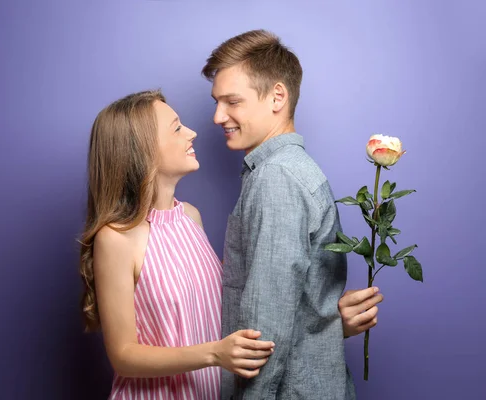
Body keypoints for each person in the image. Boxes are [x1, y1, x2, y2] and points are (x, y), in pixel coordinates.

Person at [201, 29, 369, 399]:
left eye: (232, 102)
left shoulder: (276, 178)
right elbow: (304, 307)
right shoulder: (294, 169)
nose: (217, 117)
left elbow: (265, 331)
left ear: (278, 96)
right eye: (216, 102)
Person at [80, 90, 275, 400]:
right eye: (177, 127)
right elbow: (123, 355)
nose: (192, 132)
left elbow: (219, 297)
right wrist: (213, 354)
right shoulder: (115, 238)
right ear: (141, 150)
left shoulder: (189, 217)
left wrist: (328, 317)